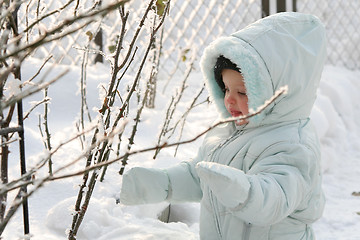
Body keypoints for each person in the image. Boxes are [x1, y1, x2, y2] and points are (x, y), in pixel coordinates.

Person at [120, 12, 327, 240]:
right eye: (226, 89)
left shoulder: (292, 144)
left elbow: (276, 199)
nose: (228, 99)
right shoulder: (228, 132)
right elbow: (202, 177)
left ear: (277, 95)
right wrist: (162, 183)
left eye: (242, 92)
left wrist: (244, 192)